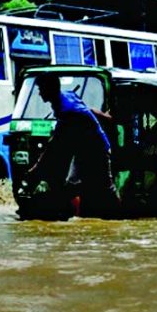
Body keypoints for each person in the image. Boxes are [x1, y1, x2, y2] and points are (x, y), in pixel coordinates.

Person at [26, 74, 119, 217]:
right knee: (73, 186)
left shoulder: (67, 111)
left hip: (96, 150)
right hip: (82, 149)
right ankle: (79, 218)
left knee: (104, 188)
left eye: (41, 89)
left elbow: (54, 145)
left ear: (49, 89)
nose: (39, 93)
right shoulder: (67, 96)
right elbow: (88, 110)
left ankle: (119, 217)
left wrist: (36, 170)